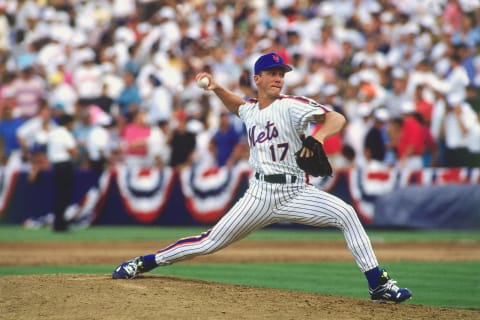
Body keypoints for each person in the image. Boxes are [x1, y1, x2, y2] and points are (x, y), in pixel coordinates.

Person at [112, 52, 412, 303]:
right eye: (271, 73)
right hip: (259, 194)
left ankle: (378, 284)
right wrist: (216, 87)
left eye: (281, 73)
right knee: (208, 243)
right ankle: (143, 262)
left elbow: (337, 118)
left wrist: (317, 138)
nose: (278, 78)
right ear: (257, 79)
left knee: (346, 213)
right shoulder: (252, 111)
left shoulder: (291, 105)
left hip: (296, 192)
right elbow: (236, 106)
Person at [46, 113, 78, 232]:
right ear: (68, 123)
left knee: (59, 195)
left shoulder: (53, 133)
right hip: (65, 165)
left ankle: (57, 223)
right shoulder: (65, 133)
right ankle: (61, 224)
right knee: (64, 196)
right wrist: (78, 154)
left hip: (55, 166)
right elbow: (72, 150)